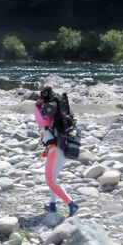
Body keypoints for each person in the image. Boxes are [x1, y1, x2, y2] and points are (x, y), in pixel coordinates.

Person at [35, 87, 80, 218]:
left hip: (55, 150)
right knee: (53, 179)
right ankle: (52, 204)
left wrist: (36, 108)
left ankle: (71, 204)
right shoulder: (58, 114)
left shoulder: (50, 113)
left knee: (50, 180)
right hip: (61, 149)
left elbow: (41, 121)